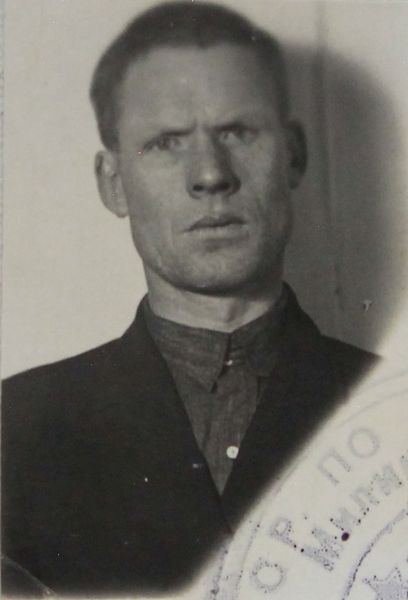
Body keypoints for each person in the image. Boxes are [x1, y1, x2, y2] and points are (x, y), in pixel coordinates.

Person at [1, 1, 377, 596]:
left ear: (295, 155)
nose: (209, 174)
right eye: (166, 143)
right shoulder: (13, 429)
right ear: (113, 183)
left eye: (237, 132)